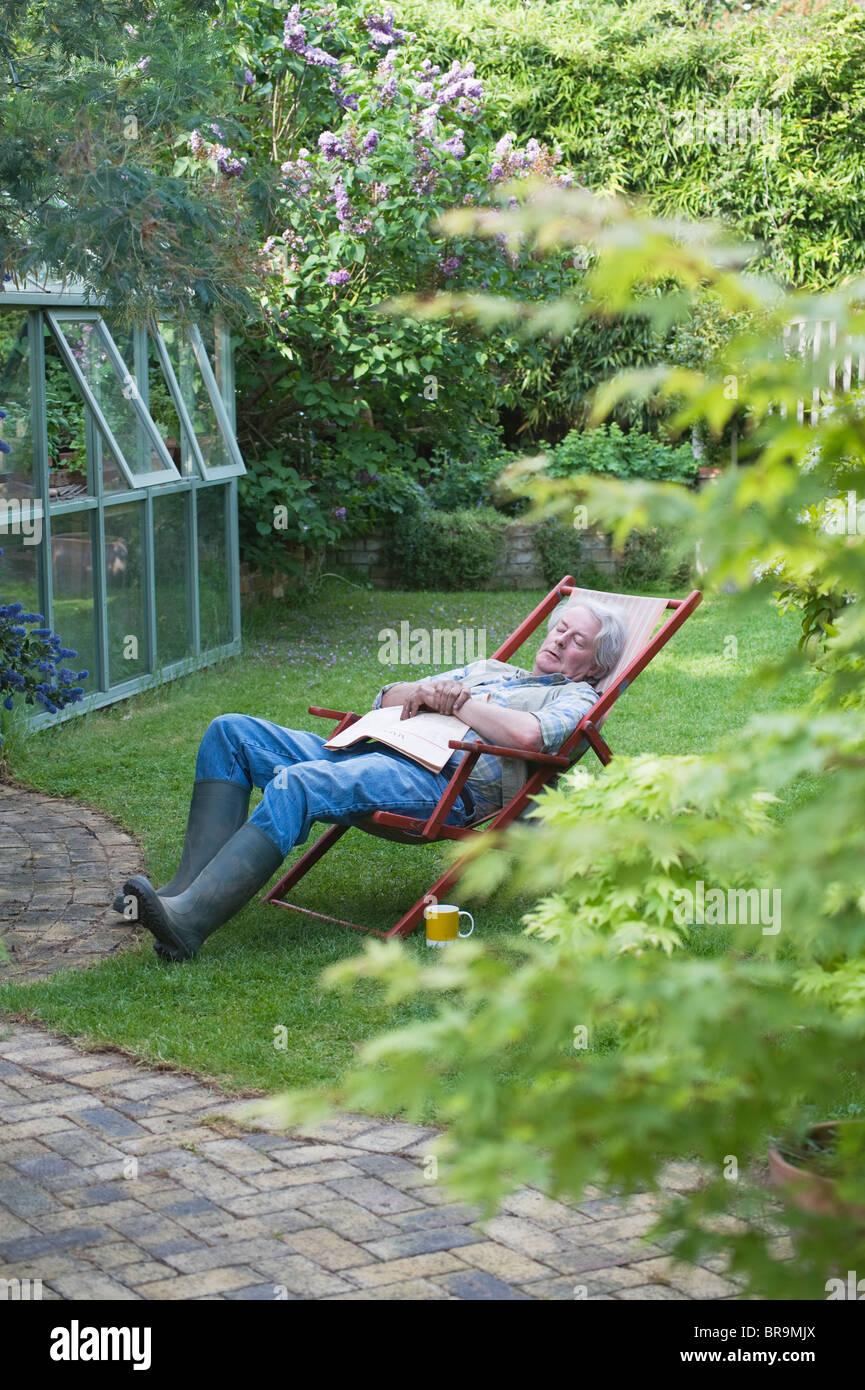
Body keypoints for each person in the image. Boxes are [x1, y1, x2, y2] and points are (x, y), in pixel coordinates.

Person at [119, 599, 626, 961]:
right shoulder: (493, 669)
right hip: (371, 746)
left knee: (299, 782)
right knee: (229, 732)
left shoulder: (576, 701)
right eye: (560, 628)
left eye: (576, 639)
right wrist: (426, 688)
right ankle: (179, 895)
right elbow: (387, 698)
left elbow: (529, 738)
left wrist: (460, 701)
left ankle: (189, 924)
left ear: (594, 665)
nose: (559, 639)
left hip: (436, 783)